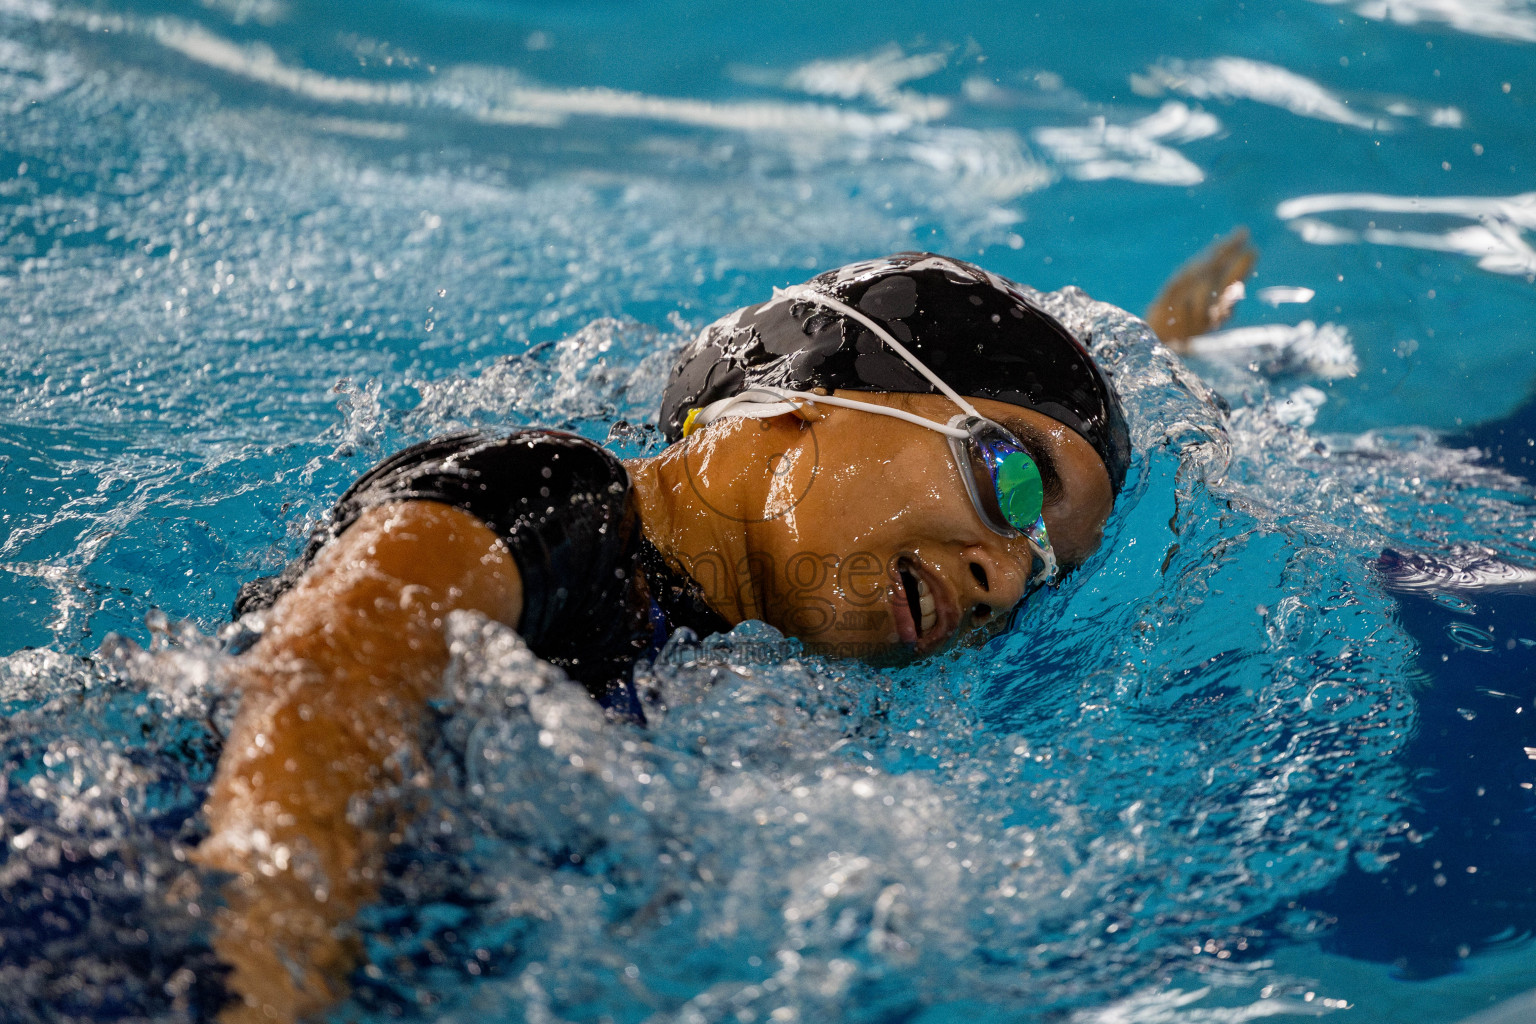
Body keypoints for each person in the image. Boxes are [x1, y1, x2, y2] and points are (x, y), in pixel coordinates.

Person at [196, 243, 1252, 1022]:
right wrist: (269, 980)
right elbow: (323, 686)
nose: (1005, 575)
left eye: (1047, 569)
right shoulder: (548, 495)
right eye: (1009, 481)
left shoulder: (764, 688)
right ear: (813, 399)